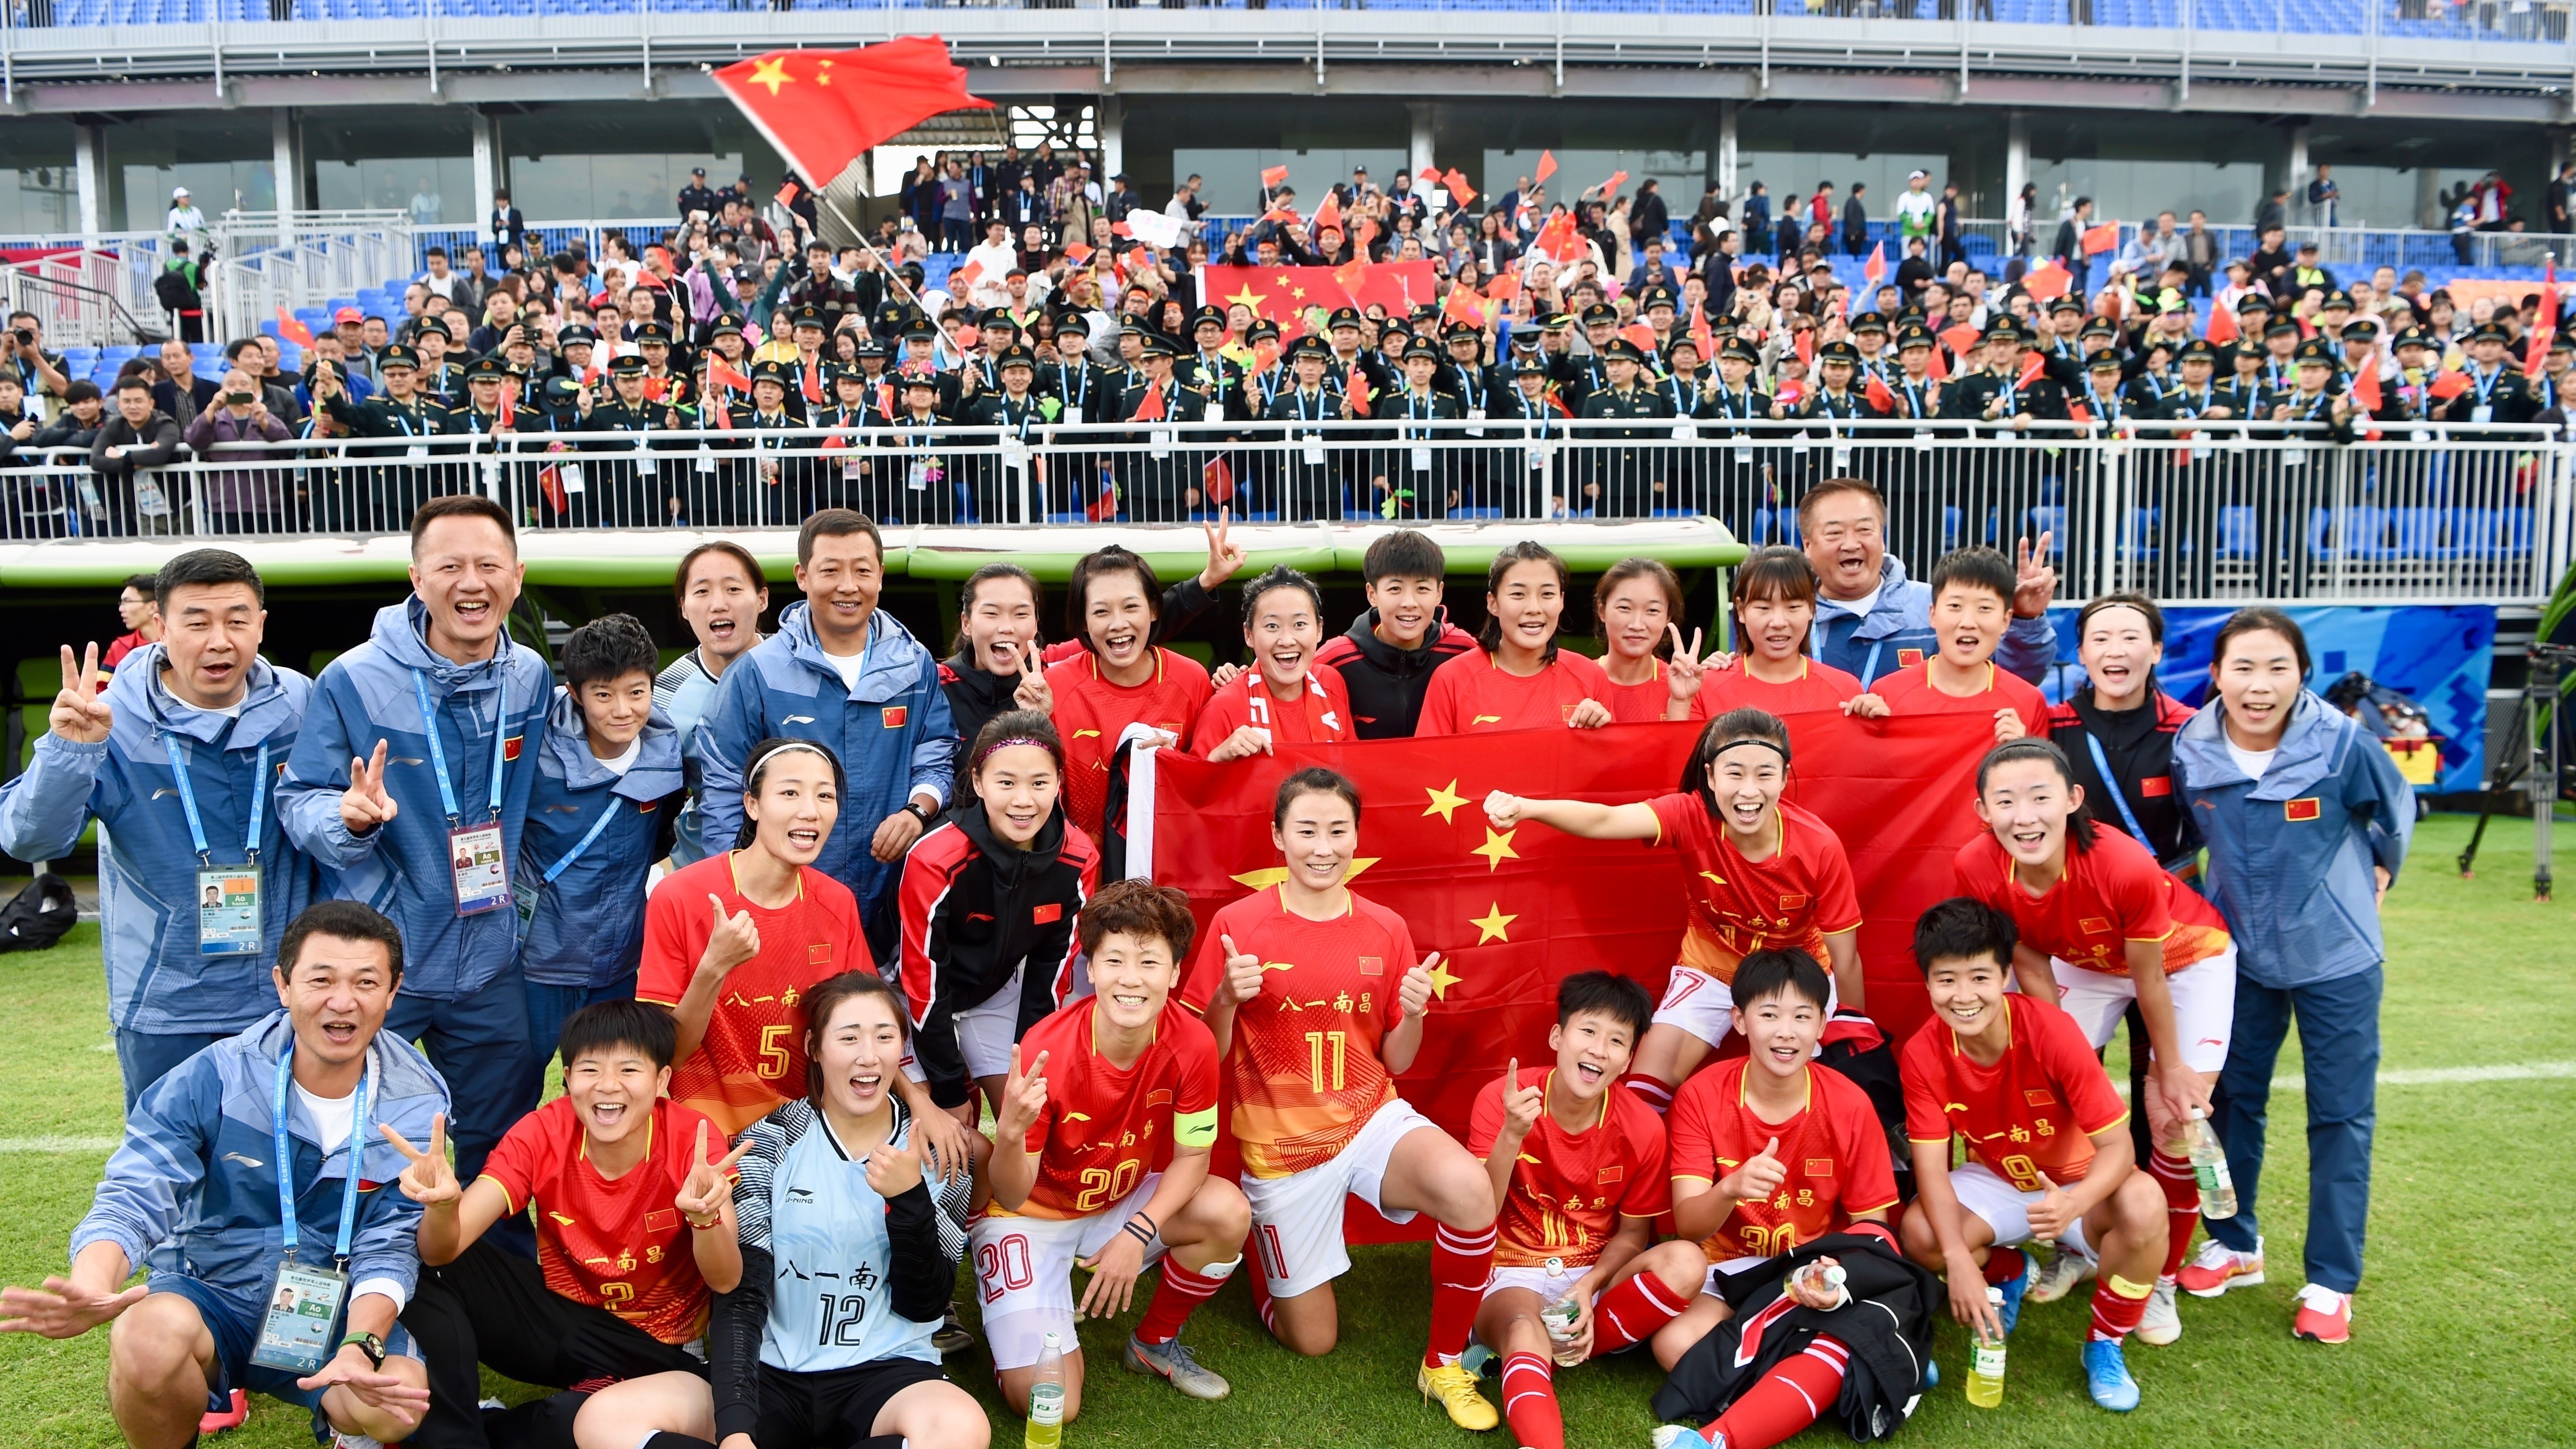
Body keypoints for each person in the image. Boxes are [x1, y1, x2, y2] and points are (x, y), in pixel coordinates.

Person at [1, 902, 443, 1447]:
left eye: (366, 982)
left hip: (329, 1306)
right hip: (211, 1291)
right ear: (283, 985)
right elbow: (137, 1190)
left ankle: (346, 1421)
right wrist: (93, 1284)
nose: (343, 1001)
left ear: (393, 991)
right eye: (321, 979)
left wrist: (360, 1342)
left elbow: (390, 1241)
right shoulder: (215, 1076)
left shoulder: (418, 1101)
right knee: (145, 1336)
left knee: (398, 1403)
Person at [1183, 768, 1503, 1430]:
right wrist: (1225, 1000)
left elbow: (1397, 1061)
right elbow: (1204, 1056)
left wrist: (1414, 1014)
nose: (1323, 847)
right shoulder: (1237, 924)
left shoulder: (1384, 927)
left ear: (1357, 837)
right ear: (1278, 837)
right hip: (1281, 1151)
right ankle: (1265, 1254)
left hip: (1368, 1118)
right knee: (1312, 1341)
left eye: (1337, 830)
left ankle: (1443, 1362)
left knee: (1469, 1189)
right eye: (1306, 831)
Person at [280, 496, 550, 1190]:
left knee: (502, 1139)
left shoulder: (529, 677)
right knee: (355, 1135)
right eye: (450, 566)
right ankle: (366, 1254)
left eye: (488, 565)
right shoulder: (353, 679)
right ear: (417, 578)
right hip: (380, 959)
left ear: (517, 576)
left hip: (490, 957)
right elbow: (299, 798)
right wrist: (347, 819)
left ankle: (487, 1256)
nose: (472, 583)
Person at [2170, 607, 2413, 1346]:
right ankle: (2233, 1243)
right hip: (2236, 959)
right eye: (2242, 667)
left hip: (2336, 958)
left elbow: (2393, 813)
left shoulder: (2343, 744)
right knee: (2227, 1104)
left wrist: (2378, 873)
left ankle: (2331, 1282)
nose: (2259, 685)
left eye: (2277, 667)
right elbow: (2190, 836)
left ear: (2301, 674)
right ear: (2217, 675)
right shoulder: (2190, 747)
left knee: (2339, 1116)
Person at [1, 551, 314, 1109]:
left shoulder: (300, 704)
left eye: (237, 621)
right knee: (168, 1156)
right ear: (160, 628)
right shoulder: (109, 718)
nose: (219, 641)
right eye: (197, 623)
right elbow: (30, 840)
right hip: (165, 1003)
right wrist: (68, 754)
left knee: (281, 1153)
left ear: (261, 625)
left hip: (284, 995)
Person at [1953, 738, 2238, 1342]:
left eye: (2039, 797)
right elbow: (2027, 956)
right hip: (2083, 962)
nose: (2023, 816)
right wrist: (2051, 1048)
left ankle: (2158, 1278)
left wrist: (2171, 1068)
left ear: (2072, 799)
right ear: (1982, 811)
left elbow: (2148, 975)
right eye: (2005, 801)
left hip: (2184, 959)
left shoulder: (2121, 863)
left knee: (2174, 1119)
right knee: (2050, 1098)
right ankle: (2078, 1244)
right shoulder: (1975, 864)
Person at [392, 999, 733, 1449]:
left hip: (658, 1344)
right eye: (590, 1070)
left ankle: (496, 1424)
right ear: (568, 1078)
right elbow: (444, 1250)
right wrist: (441, 1208)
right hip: (566, 1323)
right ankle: (455, 1436)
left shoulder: (693, 1139)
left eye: (629, 1070)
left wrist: (705, 1220)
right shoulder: (543, 1132)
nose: (608, 1086)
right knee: (417, 1259)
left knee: (567, 1424)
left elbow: (726, 1279)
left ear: (661, 1080)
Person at [1482, 708, 1865, 1107]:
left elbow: (1846, 958)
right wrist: (1528, 808)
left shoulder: (1819, 845)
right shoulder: (1689, 814)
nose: (1749, 791)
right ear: (1711, 777)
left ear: (1784, 777)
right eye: (1735, 774)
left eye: (1765, 775)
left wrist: (1856, 1028)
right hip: (1711, 968)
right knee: (1642, 1096)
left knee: (1831, 1096)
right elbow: (1606, 820)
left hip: (1795, 976)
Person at [978, 879, 1250, 1415]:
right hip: (1030, 1216)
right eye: (1115, 960)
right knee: (1049, 1404)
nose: (1131, 979)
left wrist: (1138, 1231)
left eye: (1149, 963)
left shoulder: (1193, 1042)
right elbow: (1010, 1193)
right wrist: (1008, 1132)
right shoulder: (1047, 1047)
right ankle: (1022, 1317)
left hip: (1117, 1205)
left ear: (1175, 973)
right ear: (1091, 968)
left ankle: (1153, 1344)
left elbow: (1193, 1157)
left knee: (1227, 1211)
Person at [1898, 898, 2171, 1413]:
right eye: (1946, 980)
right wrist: (1957, 1260)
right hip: (1999, 1178)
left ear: (2005, 975)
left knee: (2145, 1203)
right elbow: (1931, 1169)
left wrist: (2074, 1203)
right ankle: (2009, 1270)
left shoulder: (2050, 1029)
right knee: (1921, 1233)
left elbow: (2119, 1148)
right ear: (1928, 983)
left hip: (2078, 1184)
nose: (1963, 996)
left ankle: (2104, 1342)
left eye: (1979, 977)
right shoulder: (1921, 1053)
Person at [709, 971, 987, 1449]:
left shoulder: (941, 1150)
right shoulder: (766, 1145)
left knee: (962, 1429)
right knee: (607, 1419)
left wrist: (910, 1200)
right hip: (774, 1373)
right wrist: (735, 1433)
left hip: (889, 1372)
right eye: (850, 1037)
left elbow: (925, 1305)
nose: (868, 1055)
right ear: (815, 1048)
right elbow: (743, 1296)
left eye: (885, 1037)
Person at [1649, 950, 1903, 1449]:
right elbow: (1689, 1225)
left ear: (1822, 1025)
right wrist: (1730, 1188)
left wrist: (1837, 1276)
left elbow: (1873, 1231)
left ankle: (1820, 1366)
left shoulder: (1850, 1104)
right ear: (1740, 1020)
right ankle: (1840, 1369)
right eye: (1769, 1015)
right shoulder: (1702, 1095)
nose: (1786, 1033)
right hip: (1727, 1270)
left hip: (1810, 1269)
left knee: (1837, 1308)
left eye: (1802, 1017)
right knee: (1674, 1344)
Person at [696, 511, 958, 965]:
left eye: (862, 570)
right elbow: (723, 789)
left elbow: (936, 751)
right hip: (785, 898)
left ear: (881, 575)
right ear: (802, 576)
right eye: (831, 570)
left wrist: (917, 811)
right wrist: (738, 893)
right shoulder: (757, 673)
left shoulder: (914, 665)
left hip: (890, 900)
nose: (848, 586)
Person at [1467, 972, 1705, 1449]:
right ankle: (1535, 1372)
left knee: (1687, 1261)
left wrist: (1589, 1286)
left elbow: (1634, 1234)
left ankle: (1552, 1349)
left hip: (1592, 1276)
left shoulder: (1642, 1126)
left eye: (1617, 1040)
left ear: (1629, 1059)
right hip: (1512, 1270)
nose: (1599, 1050)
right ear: (1559, 1036)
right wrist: (1511, 1135)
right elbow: (1478, 1214)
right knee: (1523, 1329)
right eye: (1589, 1031)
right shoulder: (1504, 1099)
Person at [898, 711, 1098, 1123]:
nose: (1023, 800)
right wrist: (950, 1088)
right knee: (954, 1129)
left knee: (1027, 1117)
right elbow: (923, 983)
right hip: (906, 997)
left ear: (1059, 784)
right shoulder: (935, 859)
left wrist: (1026, 1069)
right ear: (978, 783)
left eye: (1039, 783)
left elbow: (1050, 979)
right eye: (1006, 783)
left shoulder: (1079, 859)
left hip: (993, 992)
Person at [516, 614, 685, 1099]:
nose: (623, 710)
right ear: (575, 693)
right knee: (515, 1090)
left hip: (620, 961)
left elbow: (668, 834)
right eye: (604, 695)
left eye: (637, 692)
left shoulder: (668, 749)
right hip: (537, 963)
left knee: (612, 1090)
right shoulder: (535, 749)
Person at [1797, 477, 2056, 688]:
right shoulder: (1791, 615)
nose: (1851, 544)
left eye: (1864, 530)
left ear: (1882, 537)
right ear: (1808, 545)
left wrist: (2026, 620)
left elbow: (2012, 678)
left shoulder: (1936, 606)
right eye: (1835, 533)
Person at [1042, 545, 1214, 841]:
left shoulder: (1192, 679)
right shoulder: (1055, 686)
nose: (1118, 624)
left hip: (1166, 858)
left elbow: (1208, 783)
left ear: (1154, 610)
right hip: (1084, 864)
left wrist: (1176, 766)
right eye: (1101, 611)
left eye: (1131, 607)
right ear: (1083, 621)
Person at [1415, 542, 1614, 735]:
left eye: (1547, 594)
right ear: (1493, 603)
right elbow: (1427, 756)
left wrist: (1598, 734)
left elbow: (1609, 755)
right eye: (1518, 594)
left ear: (1561, 601)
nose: (1534, 608)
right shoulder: (1452, 678)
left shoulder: (1591, 677)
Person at [656, 541, 770, 869]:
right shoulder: (666, 693)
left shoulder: (798, 665)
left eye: (733, 589)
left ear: (762, 599)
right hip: (703, 865)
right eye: (702, 592)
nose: (719, 604)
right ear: (683, 607)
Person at [1869, 545, 2050, 743]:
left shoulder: (2029, 702)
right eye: (1955, 606)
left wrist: (2021, 750)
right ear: (1933, 615)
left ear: (2006, 621)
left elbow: (2044, 763)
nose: (1968, 623)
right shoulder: (1888, 695)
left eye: (1985, 608)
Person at [1312, 528, 1478, 739]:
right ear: (1372, 594)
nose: (1409, 603)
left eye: (1422, 589)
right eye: (1395, 589)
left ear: (1439, 593)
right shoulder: (1335, 659)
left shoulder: (1464, 651)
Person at [1694, 546, 1882, 718]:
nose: (1778, 623)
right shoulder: (1707, 687)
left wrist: (1881, 726)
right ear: (1741, 610)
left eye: (1793, 607)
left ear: (1811, 608)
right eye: (1764, 608)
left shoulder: (1845, 690)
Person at [1188, 566, 1352, 760]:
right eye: (1272, 626)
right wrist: (1218, 757)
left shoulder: (1331, 683)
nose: (1287, 640)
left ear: (1319, 630)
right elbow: (1193, 777)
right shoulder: (1225, 705)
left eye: (1299, 624)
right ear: (1249, 635)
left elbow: (1353, 764)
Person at [936, 563, 1052, 749]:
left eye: (1020, 614)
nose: (1006, 627)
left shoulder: (1055, 678)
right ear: (966, 624)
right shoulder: (935, 685)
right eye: (992, 613)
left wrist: (1042, 718)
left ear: (1036, 625)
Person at [1588, 557, 1712, 723]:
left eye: (1652, 610)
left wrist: (1680, 702)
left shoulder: (1686, 685)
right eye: (1625, 608)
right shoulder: (1581, 681)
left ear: (1668, 617)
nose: (1637, 625)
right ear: (1602, 611)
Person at [103, 571, 162, 672]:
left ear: (152, 607)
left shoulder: (177, 643)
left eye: (127, 601)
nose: (121, 609)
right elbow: (103, 682)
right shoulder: (119, 647)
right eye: (121, 603)